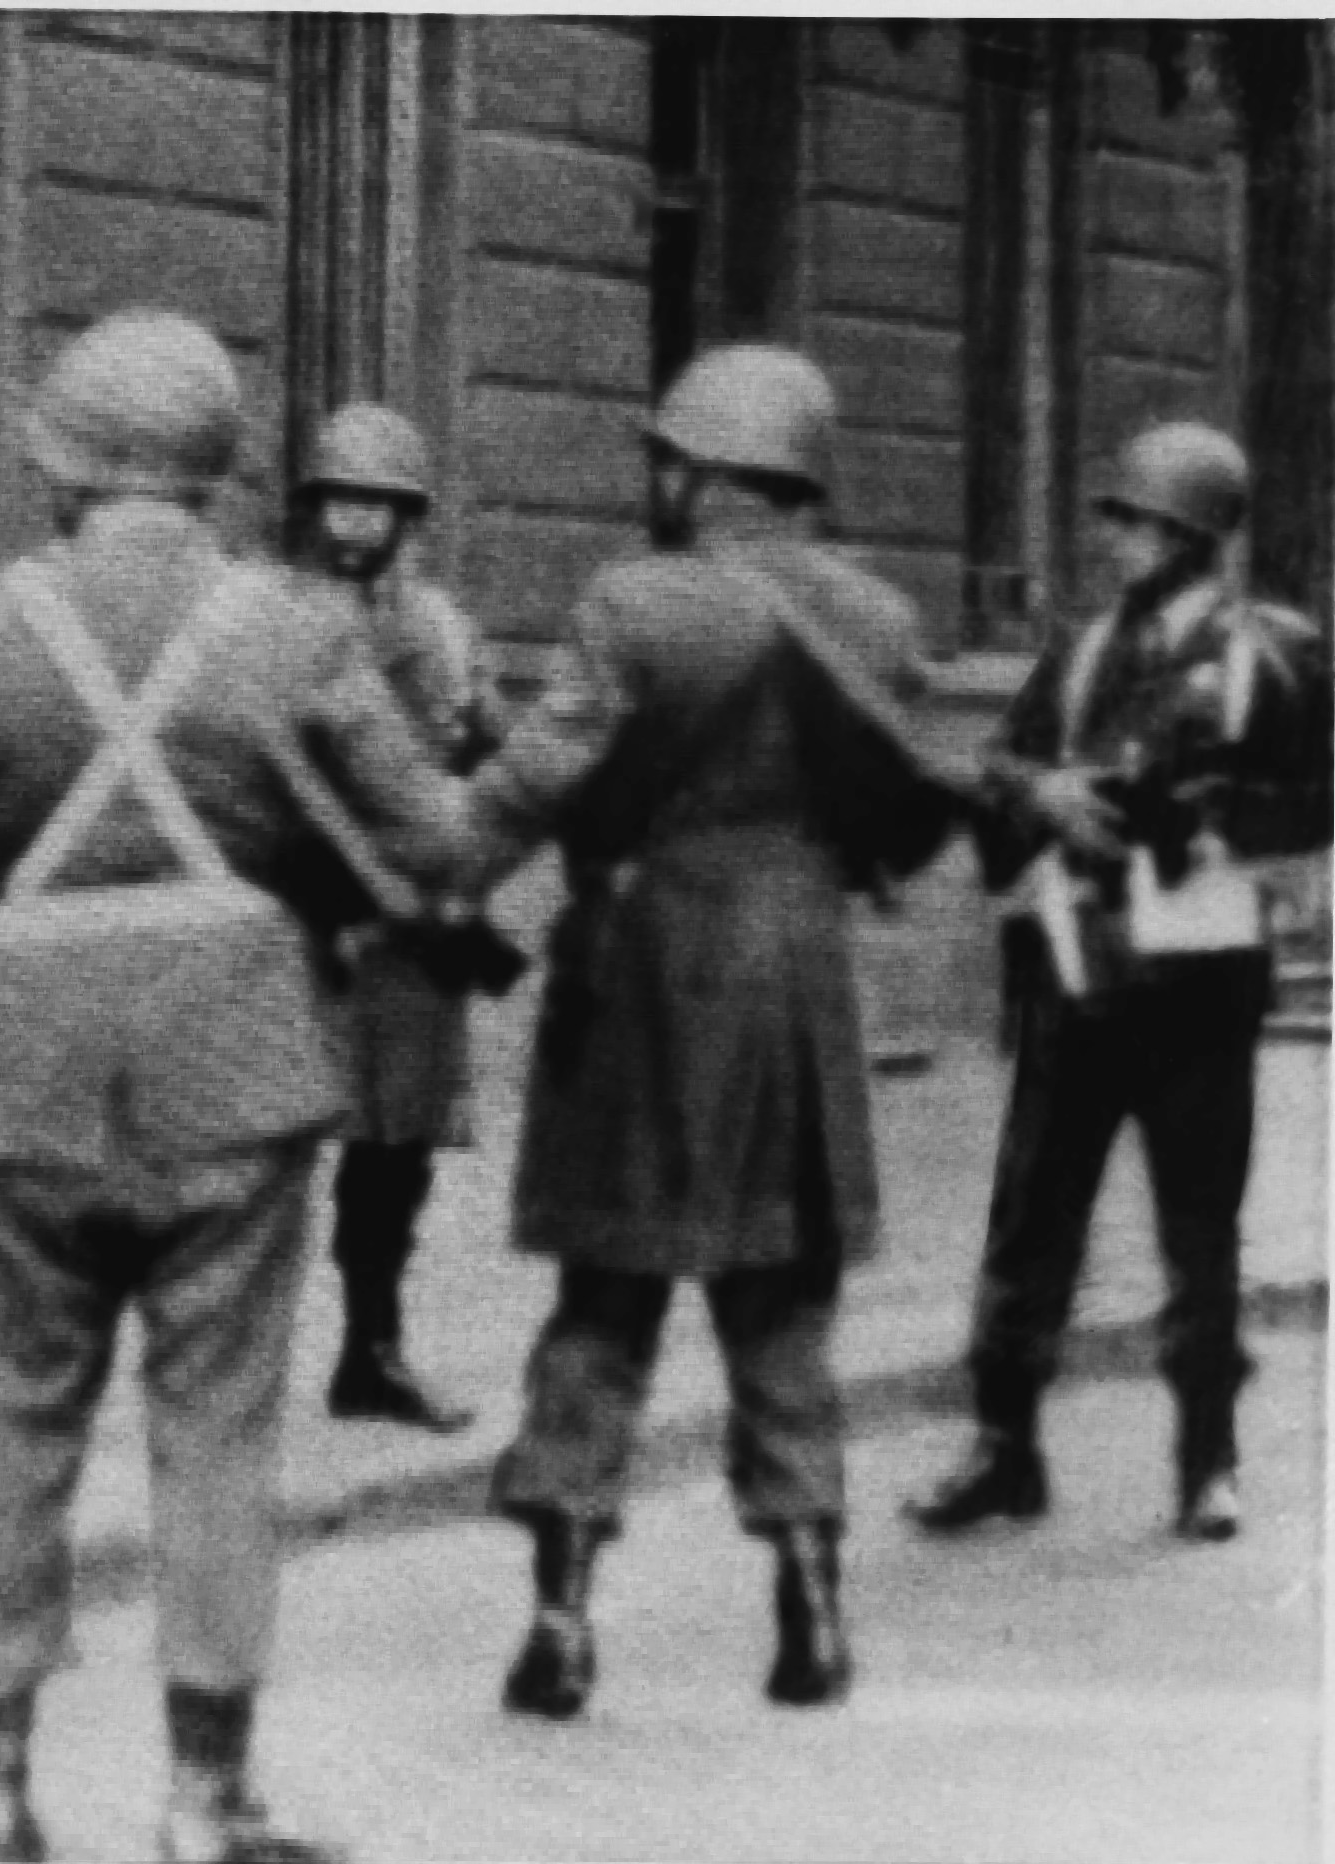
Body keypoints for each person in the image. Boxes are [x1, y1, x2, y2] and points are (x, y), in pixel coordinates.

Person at [0, 310, 478, 1864]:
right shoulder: (295, 631)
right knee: (217, 1434)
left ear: (67, 463)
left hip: (29, 1072)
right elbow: (429, 831)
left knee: (15, 1413)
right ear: (218, 473)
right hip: (238, 1066)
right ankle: (204, 1801)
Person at [453, 345, 967, 1720]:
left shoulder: (637, 602)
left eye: (666, 461)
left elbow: (535, 775)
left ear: (703, 469)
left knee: (604, 1303)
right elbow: (902, 819)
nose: (658, 483)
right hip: (798, 974)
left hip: (643, 972)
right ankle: (811, 1604)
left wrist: (423, 872)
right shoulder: (870, 614)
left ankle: (562, 1618)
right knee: (783, 1306)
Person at [908, 420, 1330, 1544]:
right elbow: (1003, 763)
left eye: (1152, 525)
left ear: (1204, 539)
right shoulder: (1084, 651)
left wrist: (1215, 814)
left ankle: (1208, 1457)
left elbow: (1319, 804)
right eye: (1122, 519)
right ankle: (1004, 1447)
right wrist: (1042, 798)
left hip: (1200, 969)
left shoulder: (1275, 656)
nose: (1124, 541)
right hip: (1077, 962)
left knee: (1201, 1228)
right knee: (1032, 1216)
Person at [287, 403, 506, 1433]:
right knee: (266, 1140)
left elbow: (494, 759)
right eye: (339, 497)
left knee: (395, 1154)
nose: (355, 520)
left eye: (376, 502)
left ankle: (371, 1352)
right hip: (302, 917)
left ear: (407, 515)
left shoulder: (445, 628)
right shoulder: (275, 617)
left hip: (413, 927)